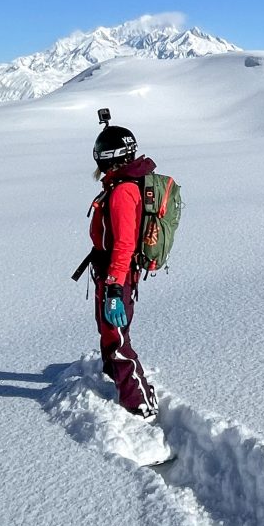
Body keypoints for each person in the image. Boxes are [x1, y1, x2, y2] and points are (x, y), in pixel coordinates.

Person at [88, 121, 160, 420]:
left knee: (117, 337)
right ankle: (113, 372)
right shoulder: (120, 185)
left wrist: (115, 287)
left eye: (101, 151)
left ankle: (140, 402)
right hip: (109, 271)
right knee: (108, 330)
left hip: (117, 274)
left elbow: (125, 244)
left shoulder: (122, 192)